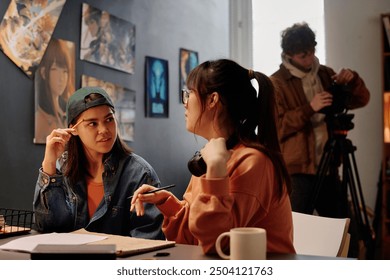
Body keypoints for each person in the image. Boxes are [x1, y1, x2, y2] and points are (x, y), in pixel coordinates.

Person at [131, 59, 295, 255]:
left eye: (189, 94)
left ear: (212, 100)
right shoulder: (212, 156)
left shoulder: (253, 162)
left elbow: (216, 246)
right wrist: (167, 203)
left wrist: (216, 170)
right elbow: (193, 239)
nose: (185, 103)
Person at [33, 87, 165, 240]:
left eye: (109, 119)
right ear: (73, 130)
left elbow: (148, 241)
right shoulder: (61, 168)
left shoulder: (140, 174)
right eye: (92, 124)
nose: (104, 130)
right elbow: (48, 228)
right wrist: (49, 164)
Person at [271, 22, 370, 218]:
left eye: (312, 52)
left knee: (342, 230)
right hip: (297, 171)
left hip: (329, 165)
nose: (310, 58)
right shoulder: (276, 83)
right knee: (297, 230)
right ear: (289, 55)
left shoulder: (325, 74)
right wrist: (310, 108)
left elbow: (361, 99)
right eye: (303, 55)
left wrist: (352, 81)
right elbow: (277, 127)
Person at [34, 38, 75, 144]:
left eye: (65, 71)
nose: (61, 78)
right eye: (55, 69)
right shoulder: (41, 119)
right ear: (43, 73)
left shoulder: (66, 112)